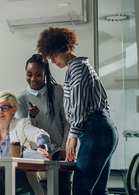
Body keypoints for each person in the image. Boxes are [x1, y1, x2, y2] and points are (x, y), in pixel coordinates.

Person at [36, 26, 118, 195]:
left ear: (65, 48)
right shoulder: (84, 66)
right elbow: (104, 103)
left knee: (81, 190)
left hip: (95, 129)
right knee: (98, 191)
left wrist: (72, 136)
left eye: (54, 56)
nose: (52, 61)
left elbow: (78, 105)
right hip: (104, 129)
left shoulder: (77, 68)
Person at [0, 90, 52, 195]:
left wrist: (41, 148)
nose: (0, 112)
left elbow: (41, 134)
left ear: (14, 109)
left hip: (19, 180)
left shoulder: (21, 124)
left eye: (5, 108)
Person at [16, 54, 71, 194]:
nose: (33, 79)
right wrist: (32, 116)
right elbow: (24, 129)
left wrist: (65, 148)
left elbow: (67, 121)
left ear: (45, 74)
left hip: (59, 151)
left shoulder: (57, 91)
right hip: (36, 154)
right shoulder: (21, 98)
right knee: (40, 190)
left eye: (38, 75)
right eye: (29, 74)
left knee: (62, 188)